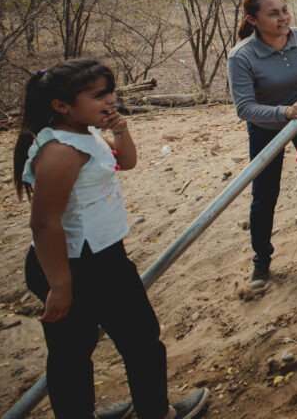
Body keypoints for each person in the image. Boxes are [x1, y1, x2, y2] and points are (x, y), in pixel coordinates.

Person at [14, 60, 210, 419]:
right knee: (80, 353)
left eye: (111, 91)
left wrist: (121, 130)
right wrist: (60, 284)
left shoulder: (84, 133)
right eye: (99, 95)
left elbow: (126, 162)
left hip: (101, 256)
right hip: (77, 264)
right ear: (61, 106)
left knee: (136, 340)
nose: (110, 99)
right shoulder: (60, 151)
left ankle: (150, 408)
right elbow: (44, 224)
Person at [228, 0, 297, 290]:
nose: (283, 18)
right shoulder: (242, 56)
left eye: (284, 10)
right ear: (253, 19)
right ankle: (261, 260)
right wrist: (284, 111)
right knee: (265, 194)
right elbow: (244, 108)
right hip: (267, 127)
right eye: (273, 13)